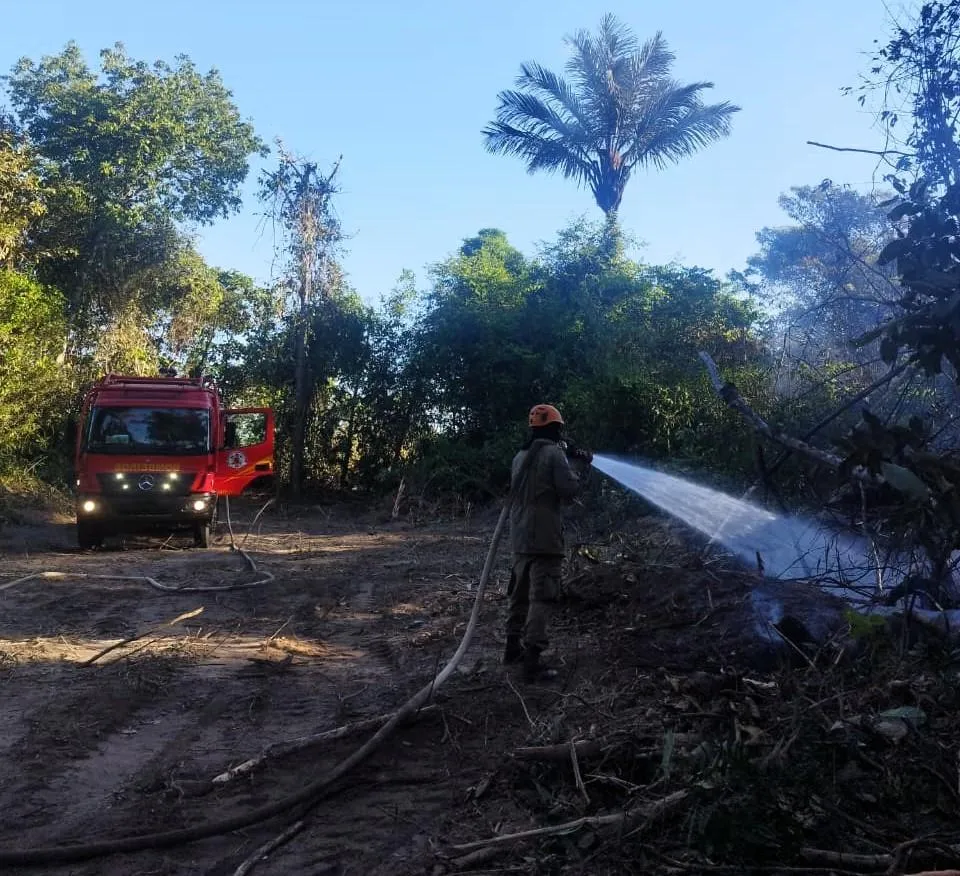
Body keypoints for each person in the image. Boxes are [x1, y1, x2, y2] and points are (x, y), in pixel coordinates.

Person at [505, 403, 592, 682]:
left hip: (518, 537)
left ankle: (511, 648)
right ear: (556, 429)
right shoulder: (554, 454)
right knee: (542, 596)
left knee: (518, 593)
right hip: (544, 538)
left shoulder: (520, 455)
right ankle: (532, 661)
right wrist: (579, 463)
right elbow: (569, 490)